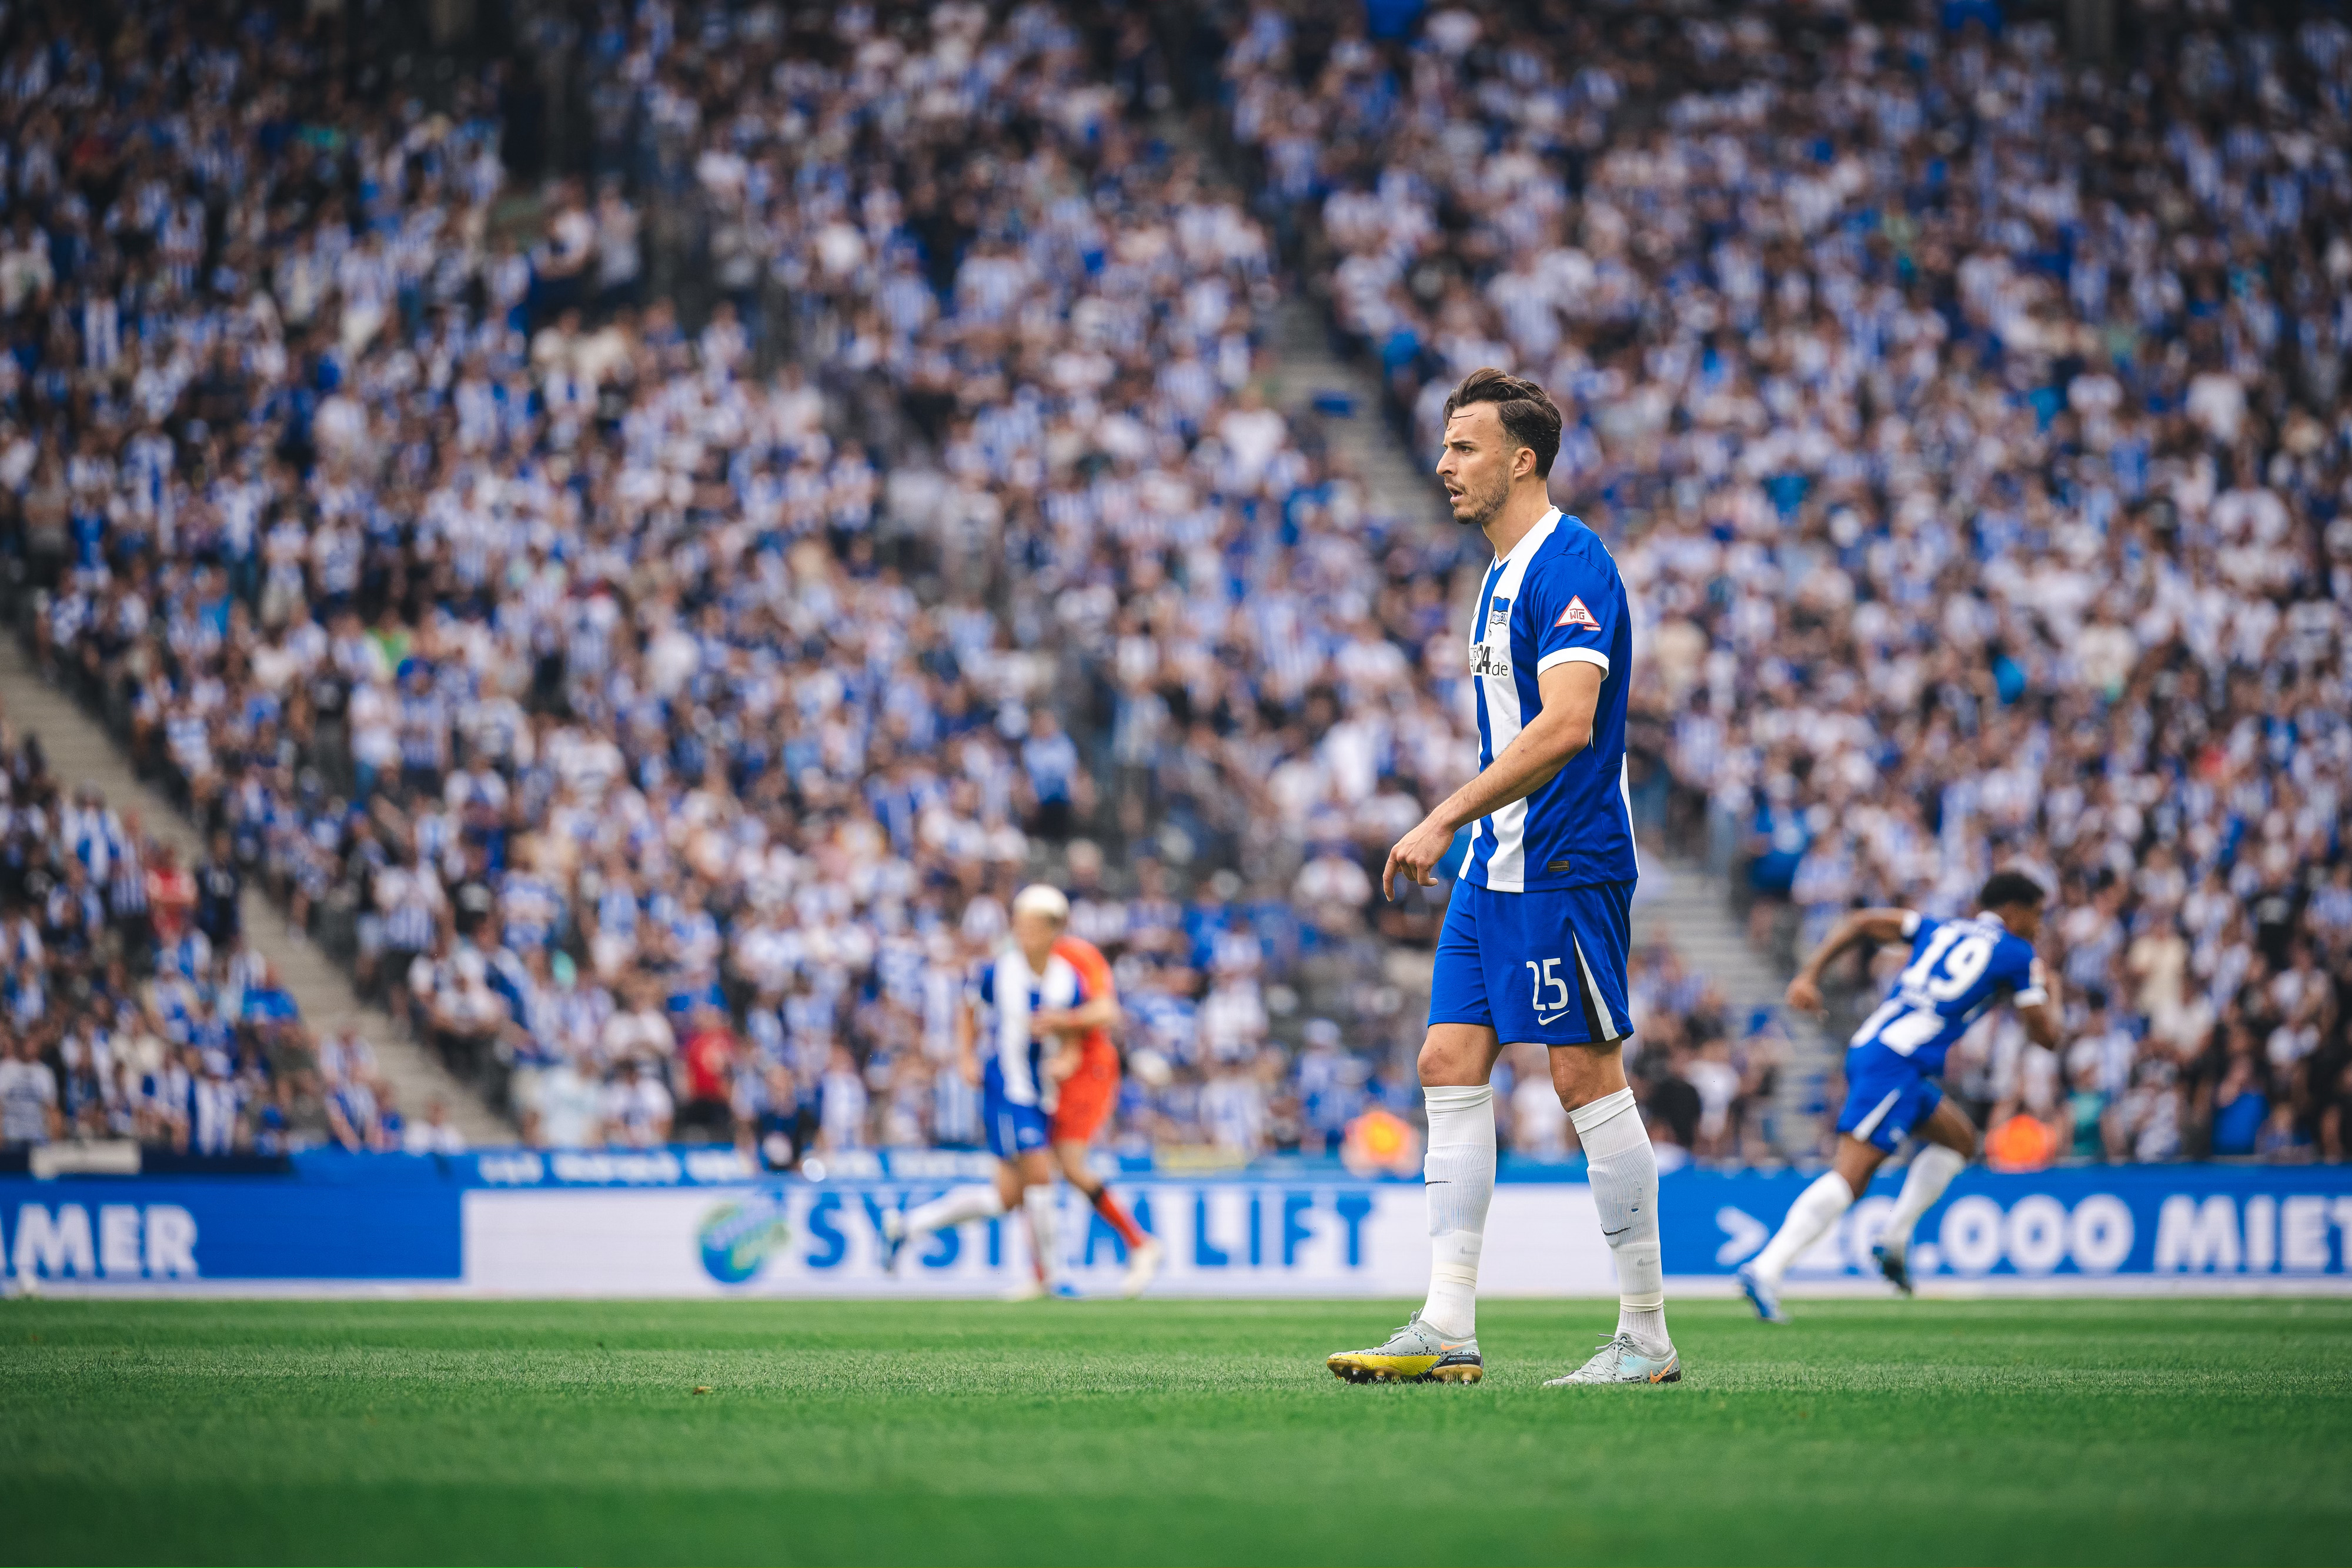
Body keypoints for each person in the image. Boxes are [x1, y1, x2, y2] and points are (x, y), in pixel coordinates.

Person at [1328, 369, 1669, 1388]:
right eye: (1443, 446)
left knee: (1580, 1075)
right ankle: (1446, 1325)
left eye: (1464, 447)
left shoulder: (1572, 562)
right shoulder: (1499, 573)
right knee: (1446, 1056)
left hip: (1564, 858)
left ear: (1522, 458)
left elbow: (1568, 725)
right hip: (1497, 863)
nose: (1443, 464)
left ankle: (1646, 1335)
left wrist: (1442, 812)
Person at [1739, 870, 2060, 1321]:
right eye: (2037, 915)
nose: (2039, 926)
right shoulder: (2018, 953)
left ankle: (1894, 1237)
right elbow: (2046, 1035)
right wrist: (2050, 991)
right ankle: (1766, 1268)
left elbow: (1861, 922)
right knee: (1852, 1174)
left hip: (1883, 1048)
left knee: (1959, 1140)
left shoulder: (1941, 927)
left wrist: (1810, 974)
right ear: (2013, 910)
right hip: (1898, 1060)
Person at [879, 884, 1090, 1299]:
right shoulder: (1000, 971)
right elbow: (969, 1009)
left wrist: (1067, 1058)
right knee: (1041, 1171)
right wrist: (967, 1056)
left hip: (1040, 1092)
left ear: (1054, 930)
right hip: (1008, 1087)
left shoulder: (1069, 980)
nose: (1023, 932)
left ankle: (905, 1226)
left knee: (1004, 1197)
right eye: (1020, 923)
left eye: (1032, 925)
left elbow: (1074, 1034)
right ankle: (1054, 1275)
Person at [1032, 930, 1164, 1296]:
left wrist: (1062, 1027)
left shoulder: (1077, 955)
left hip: (1087, 1070)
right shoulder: (1018, 960)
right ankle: (1044, 1272)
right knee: (1036, 1167)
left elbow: (1106, 1011)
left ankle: (1139, 1243)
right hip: (1047, 1071)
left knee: (1069, 1164)